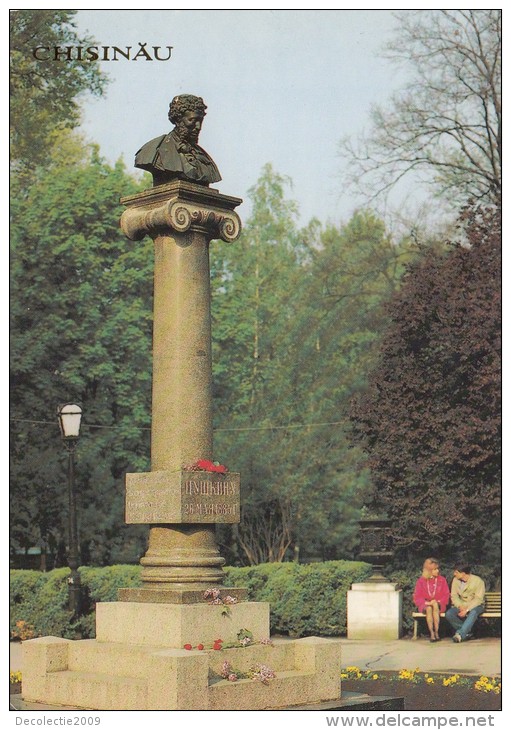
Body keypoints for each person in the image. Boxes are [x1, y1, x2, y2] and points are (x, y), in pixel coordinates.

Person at [135, 94, 222, 187]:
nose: (198, 127)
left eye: (200, 120)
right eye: (192, 120)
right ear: (178, 119)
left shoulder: (204, 156)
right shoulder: (153, 151)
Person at [445, 563, 485, 643]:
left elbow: (478, 599)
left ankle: (460, 634)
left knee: (473, 612)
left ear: (463, 573)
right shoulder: (455, 580)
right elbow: (454, 596)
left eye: (456, 572)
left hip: (475, 605)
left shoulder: (478, 581)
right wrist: (460, 606)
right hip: (461, 605)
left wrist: (466, 610)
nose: (454, 574)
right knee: (449, 613)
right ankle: (468, 632)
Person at [413, 558, 450, 642]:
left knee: (435, 605)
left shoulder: (442, 580)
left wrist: (437, 601)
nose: (437, 571)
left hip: (439, 604)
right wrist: (427, 602)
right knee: (429, 608)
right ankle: (432, 633)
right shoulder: (421, 581)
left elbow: (446, 594)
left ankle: (437, 632)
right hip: (425, 604)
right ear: (429, 570)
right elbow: (417, 596)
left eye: (437, 569)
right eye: (435, 569)